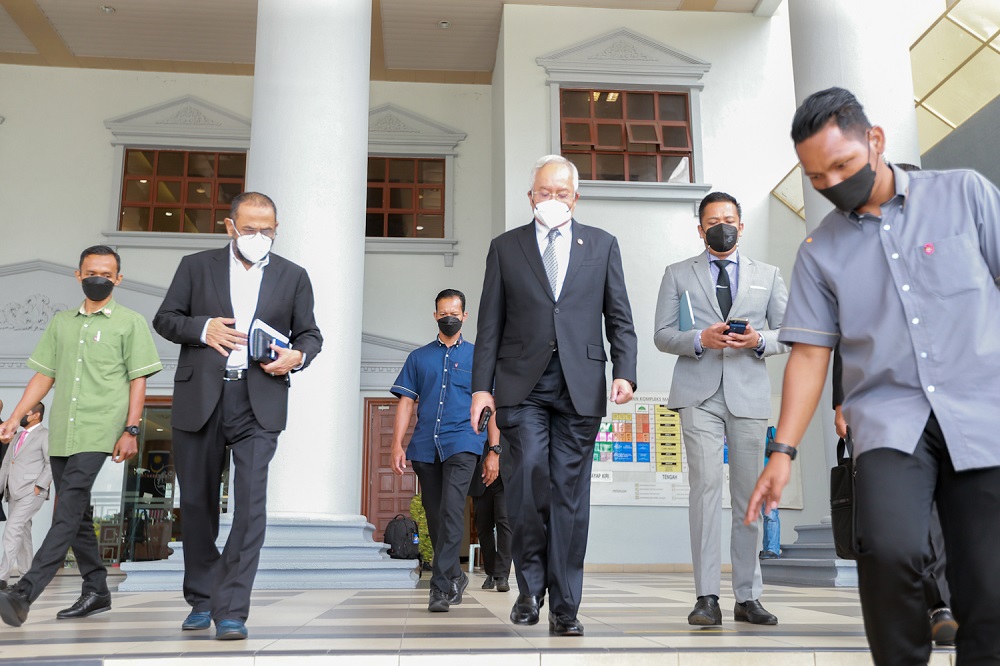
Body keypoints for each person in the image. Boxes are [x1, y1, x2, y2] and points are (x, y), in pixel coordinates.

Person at [745, 87, 1000, 664]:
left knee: (989, 578)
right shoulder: (819, 253)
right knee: (886, 550)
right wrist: (781, 452)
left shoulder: (965, 194)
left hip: (984, 410)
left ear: (876, 142)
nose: (833, 183)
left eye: (843, 165)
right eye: (817, 177)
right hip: (889, 422)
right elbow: (810, 355)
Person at [471, 154, 638, 636]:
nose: (552, 201)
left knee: (569, 496)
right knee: (525, 485)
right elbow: (489, 325)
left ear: (576, 198)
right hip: (521, 387)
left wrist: (625, 370)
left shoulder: (602, 245)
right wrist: (482, 388)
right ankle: (529, 587)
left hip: (580, 385)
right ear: (531, 197)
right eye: (544, 193)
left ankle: (566, 605)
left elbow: (619, 315)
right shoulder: (506, 248)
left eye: (561, 193)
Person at [153, 191, 323, 640]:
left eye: (267, 229)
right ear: (230, 227)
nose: (258, 236)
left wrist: (297, 357)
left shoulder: (293, 276)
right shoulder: (196, 266)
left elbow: (311, 334)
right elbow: (165, 319)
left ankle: (231, 609)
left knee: (249, 509)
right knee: (197, 505)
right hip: (201, 398)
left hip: (258, 400)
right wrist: (200, 327)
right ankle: (201, 597)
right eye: (249, 229)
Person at [0, 245, 162, 627]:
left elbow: (137, 379)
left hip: (99, 429)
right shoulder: (62, 323)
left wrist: (131, 428)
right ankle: (97, 589)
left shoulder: (130, 322)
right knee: (79, 515)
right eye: (92, 272)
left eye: (107, 273)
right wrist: (15, 416)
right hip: (62, 432)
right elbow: (44, 375)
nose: (98, 279)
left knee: (67, 507)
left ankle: (25, 593)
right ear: (78, 275)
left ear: (118, 279)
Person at [653, 192, 789, 627]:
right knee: (706, 492)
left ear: (741, 225)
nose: (721, 226)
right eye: (713, 221)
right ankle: (706, 596)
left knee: (749, 496)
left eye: (729, 219)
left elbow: (790, 331)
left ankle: (747, 596)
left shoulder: (767, 275)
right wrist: (698, 340)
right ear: (700, 229)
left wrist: (759, 341)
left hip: (748, 394)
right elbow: (661, 333)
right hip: (699, 393)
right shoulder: (677, 274)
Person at [832, 344, 957, 647]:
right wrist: (840, 403)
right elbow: (845, 337)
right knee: (898, 516)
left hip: (941, 401)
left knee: (938, 514)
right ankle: (929, 604)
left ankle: (943, 606)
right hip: (877, 406)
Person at [390, 289, 498, 612]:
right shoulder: (418, 358)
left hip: (464, 441)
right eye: (443, 312)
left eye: (455, 312)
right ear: (435, 315)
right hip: (426, 446)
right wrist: (396, 443)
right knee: (436, 517)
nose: (449, 316)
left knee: (452, 511)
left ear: (465, 316)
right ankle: (454, 573)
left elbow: (492, 406)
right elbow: (406, 403)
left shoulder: (480, 358)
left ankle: (439, 588)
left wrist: (494, 449)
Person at [0, 403, 51, 589]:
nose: (20, 416)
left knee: (12, 529)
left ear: (36, 415)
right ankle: (27, 578)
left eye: (25, 413)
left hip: (31, 491)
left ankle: (2, 576)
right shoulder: (18, 436)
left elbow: (50, 462)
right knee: (23, 533)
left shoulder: (45, 435)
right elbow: (6, 464)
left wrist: (39, 486)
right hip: (13, 491)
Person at [468, 435, 512, 593]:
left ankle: (502, 575)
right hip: (481, 476)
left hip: (506, 476)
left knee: (504, 522)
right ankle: (492, 571)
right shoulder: (477, 411)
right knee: (483, 526)